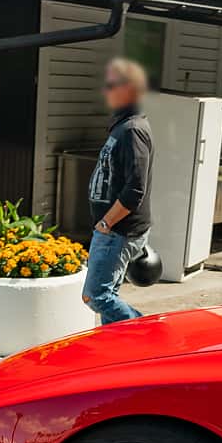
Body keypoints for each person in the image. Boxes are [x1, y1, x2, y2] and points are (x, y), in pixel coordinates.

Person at [82, 57, 153, 324]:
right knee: (105, 294)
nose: (106, 91)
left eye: (112, 85)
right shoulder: (123, 126)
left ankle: (145, 333)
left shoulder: (133, 130)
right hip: (111, 229)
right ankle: (118, 350)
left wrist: (106, 222)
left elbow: (136, 188)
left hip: (117, 230)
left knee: (96, 295)